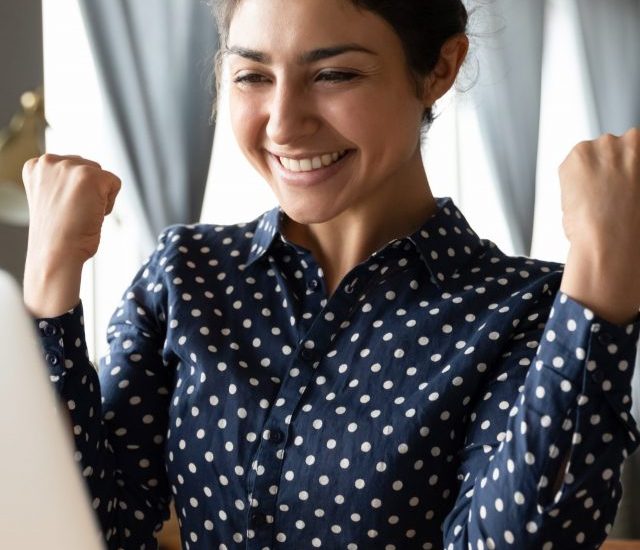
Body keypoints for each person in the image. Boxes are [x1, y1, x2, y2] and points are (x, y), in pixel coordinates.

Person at [21, 0, 640, 548]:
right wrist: (51, 282)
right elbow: (92, 528)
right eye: (253, 75)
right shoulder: (187, 277)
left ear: (441, 68)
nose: (284, 123)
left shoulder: (530, 309)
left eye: (335, 74)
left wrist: (602, 286)